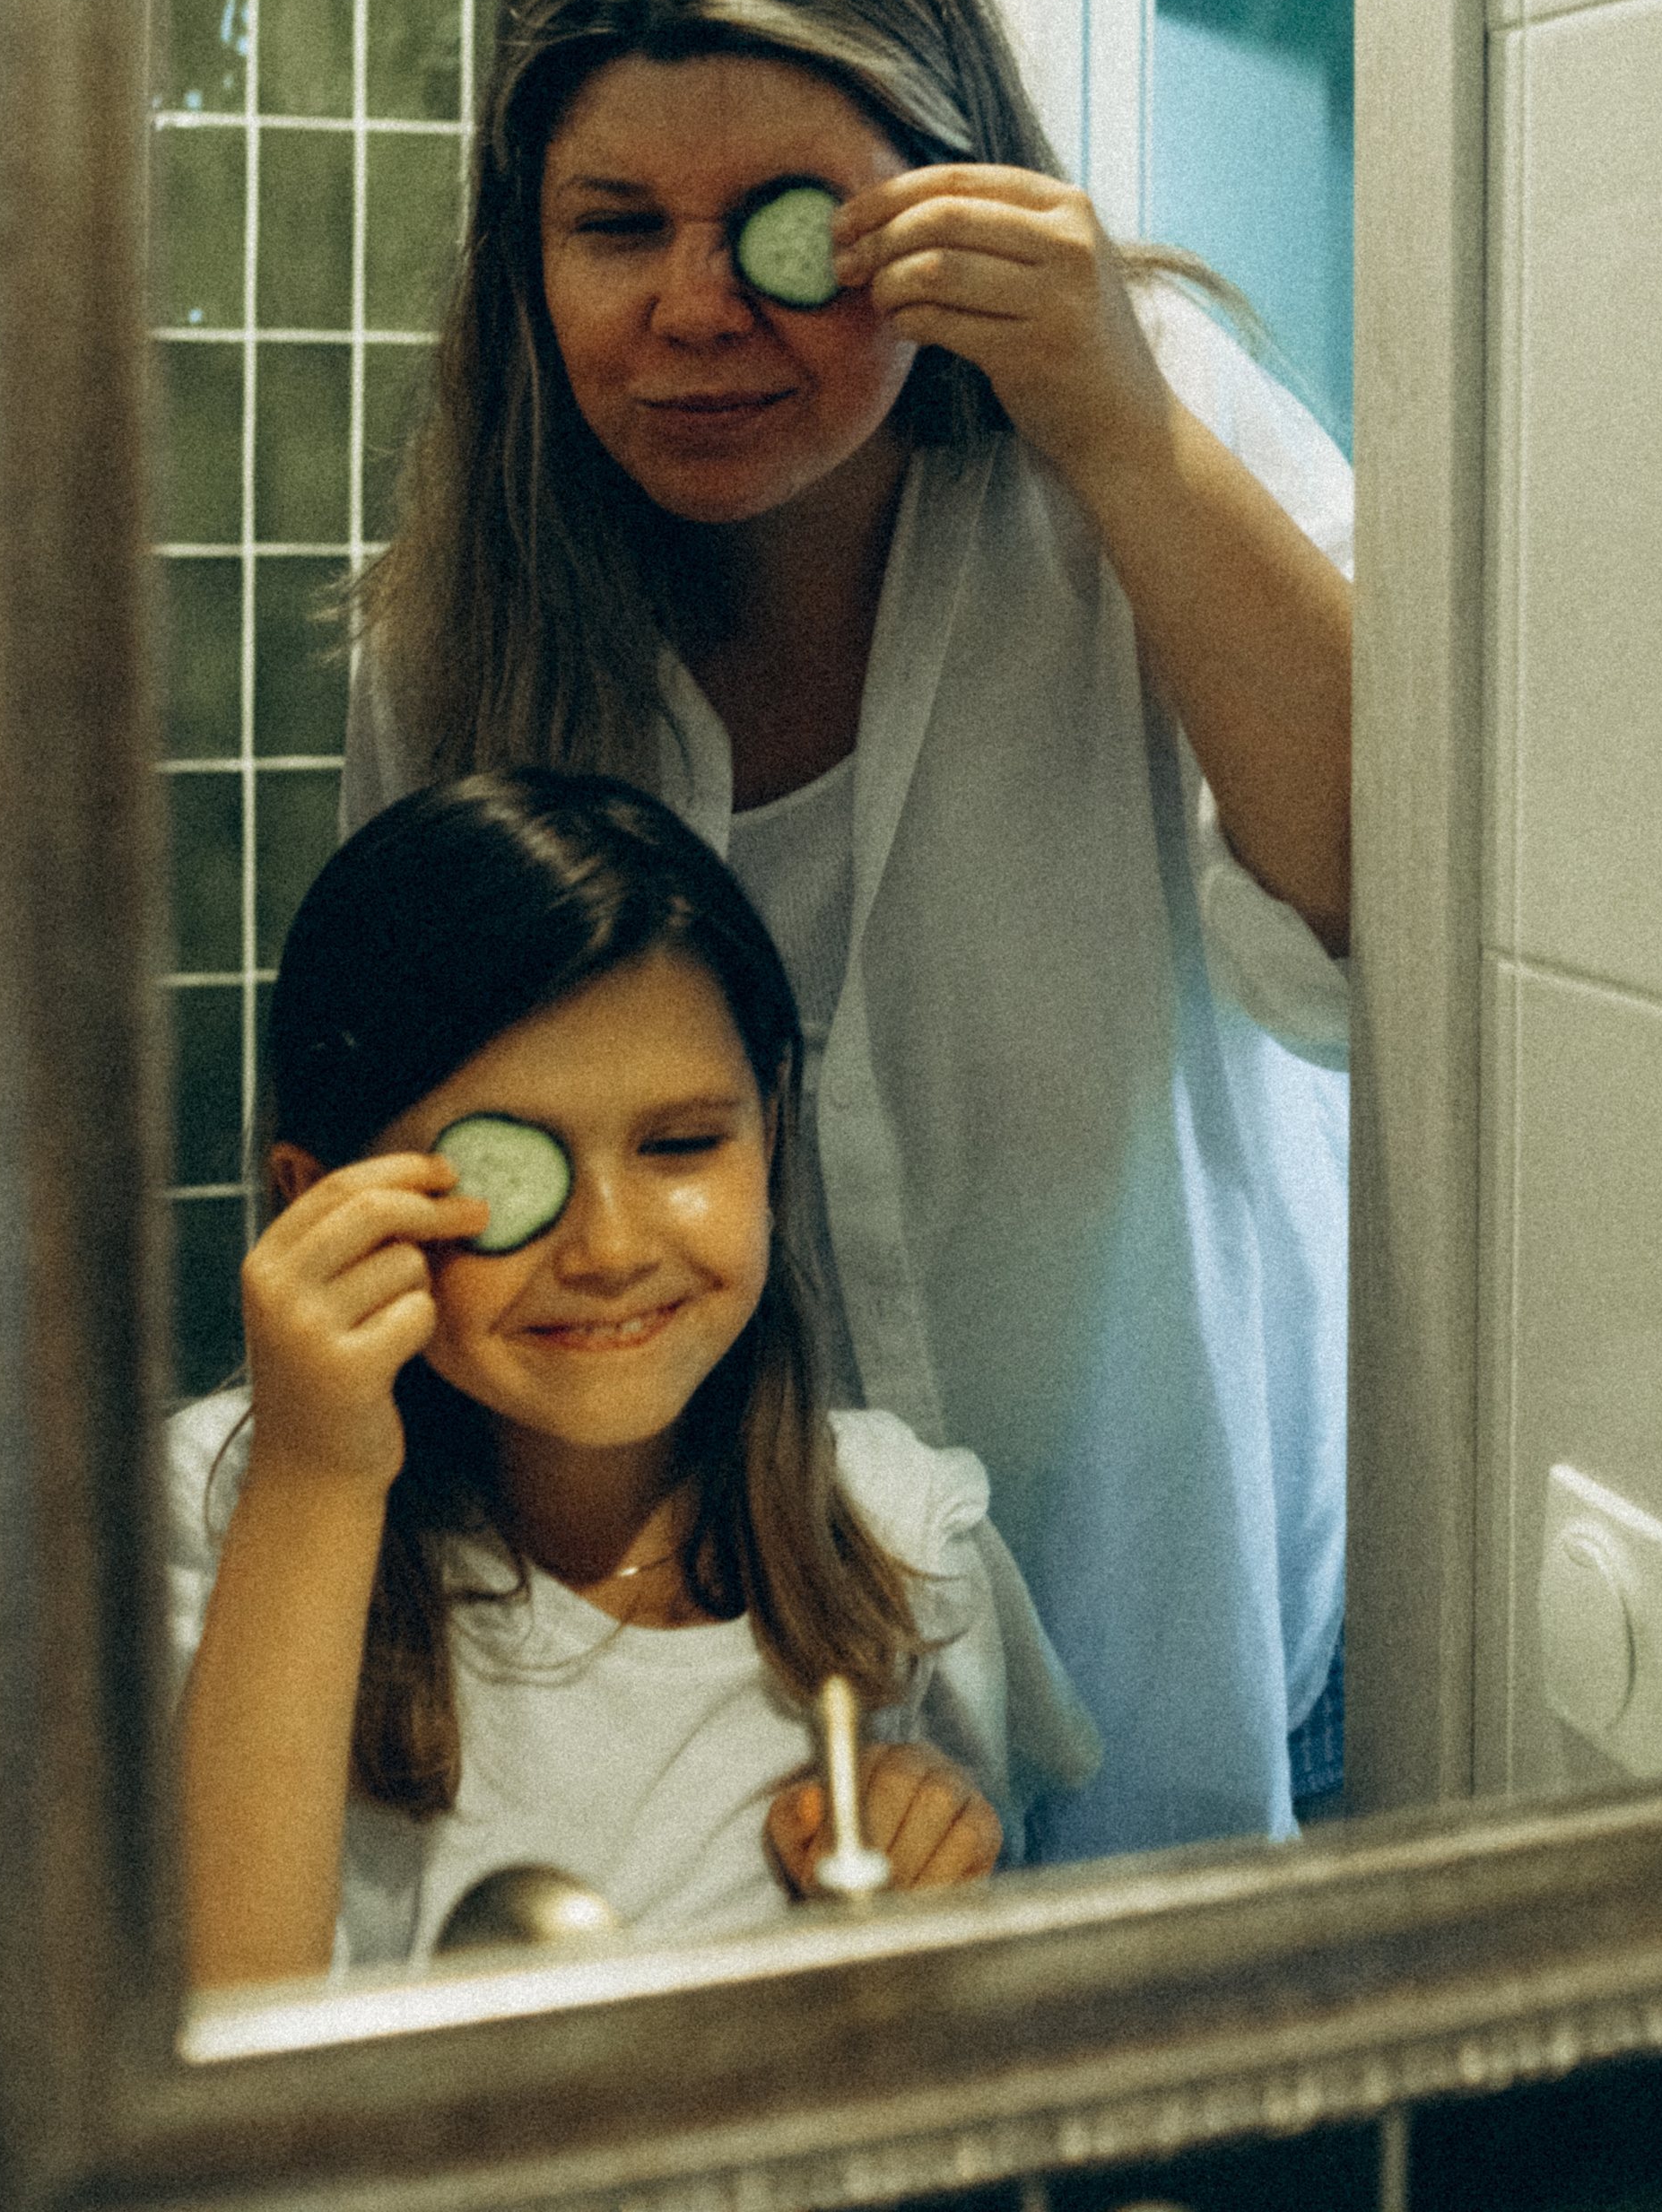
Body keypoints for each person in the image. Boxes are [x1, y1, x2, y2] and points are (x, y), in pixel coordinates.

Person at [344, 0, 1353, 1857]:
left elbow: (1377, 919)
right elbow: (455, 1206)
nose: (695, 309)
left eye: (781, 224)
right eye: (614, 226)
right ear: (523, 258)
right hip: (745, 1709)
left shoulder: (1139, 441)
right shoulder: (459, 642)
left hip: (1208, 1614)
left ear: (940, 206)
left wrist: (1116, 422)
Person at [172, 770, 1095, 1986]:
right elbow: (211, 2021)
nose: (609, 1249)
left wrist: (941, 1838)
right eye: (508, 1172)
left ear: (773, 1128)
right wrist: (313, 1476)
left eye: (681, 1144)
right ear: (319, 1199)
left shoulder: (899, 1537)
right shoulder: (218, 1507)